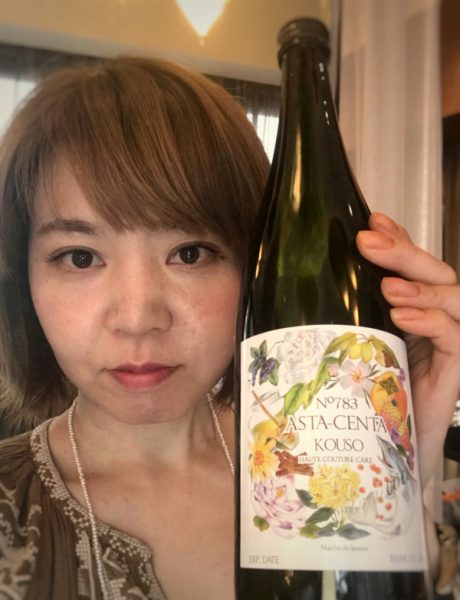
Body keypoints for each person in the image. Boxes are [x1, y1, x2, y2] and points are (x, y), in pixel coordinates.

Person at [0, 55, 458, 600]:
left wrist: (396, 475)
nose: (138, 320)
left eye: (190, 253)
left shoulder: (312, 459)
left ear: (255, 267)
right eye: (79, 257)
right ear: (22, 280)